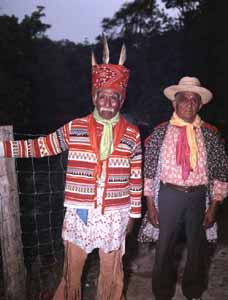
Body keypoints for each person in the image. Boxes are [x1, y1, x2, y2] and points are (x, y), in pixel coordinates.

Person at [0, 37, 142, 300]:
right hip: (80, 212)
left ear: (121, 101)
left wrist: (133, 215)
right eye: (102, 96)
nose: (107, 103)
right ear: (94, 97)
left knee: (111, 273)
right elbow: (41, 147)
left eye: (114, 98)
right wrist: (4, 148)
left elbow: (136, 178)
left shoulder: (132, 134)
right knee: (71, 271)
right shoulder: (75, 127)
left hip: (115, 214)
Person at [138, 76, 228, 300]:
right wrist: (150, 204)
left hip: (198, 196)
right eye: (184, 99)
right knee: (164, 246)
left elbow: (221, 173)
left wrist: (214, 206)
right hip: (168, 195)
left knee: (197, 248)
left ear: (200, 104)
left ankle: (194, 291)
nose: (189, 103)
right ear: (174, 103)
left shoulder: (209, 134)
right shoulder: (160, 133)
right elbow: (148, 171)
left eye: (194, 99)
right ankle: (162, 292)